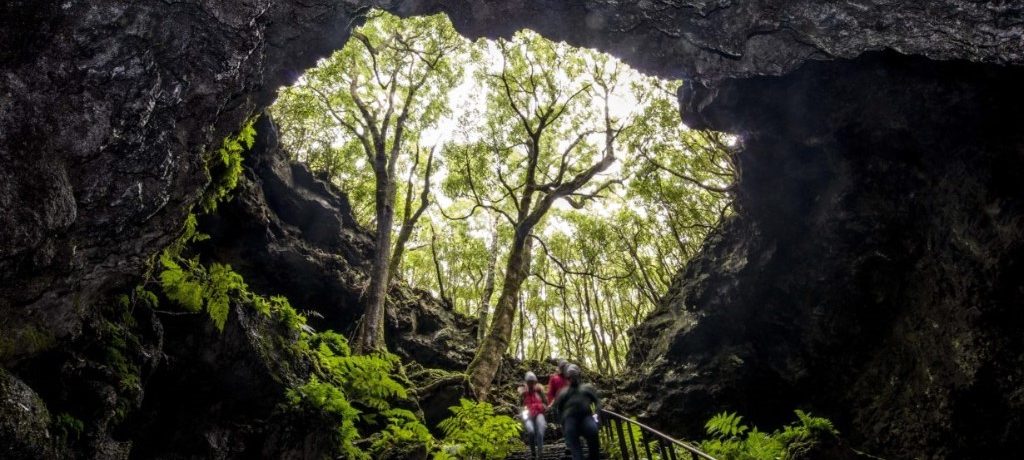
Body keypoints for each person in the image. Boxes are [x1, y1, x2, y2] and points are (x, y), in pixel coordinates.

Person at [552, 364, 601, 460]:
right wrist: (563, 422)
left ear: (578, 376)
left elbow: (597, 402)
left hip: (586, 417)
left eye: (574, 376)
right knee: (576, 451)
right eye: (570, 377)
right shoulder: (563, 393)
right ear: (567, 378)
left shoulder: (587, 388)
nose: (572, 379)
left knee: (593, 431)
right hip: (570, 420)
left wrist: (597, 415)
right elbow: (557, 408)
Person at [519, 371, 548, 460]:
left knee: (540, 431)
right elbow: (520, 406)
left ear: (535, 382)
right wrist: (522, 413)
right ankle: (533, 453)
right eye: (529, 382)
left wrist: (544, 407)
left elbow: (545, 402)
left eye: (532, 382)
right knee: (531, 431)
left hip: (539, 413)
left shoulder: (540, 391)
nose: (531, 384)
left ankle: (540, 453)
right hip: (528, 415)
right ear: (526, 383)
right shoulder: (523, 393)